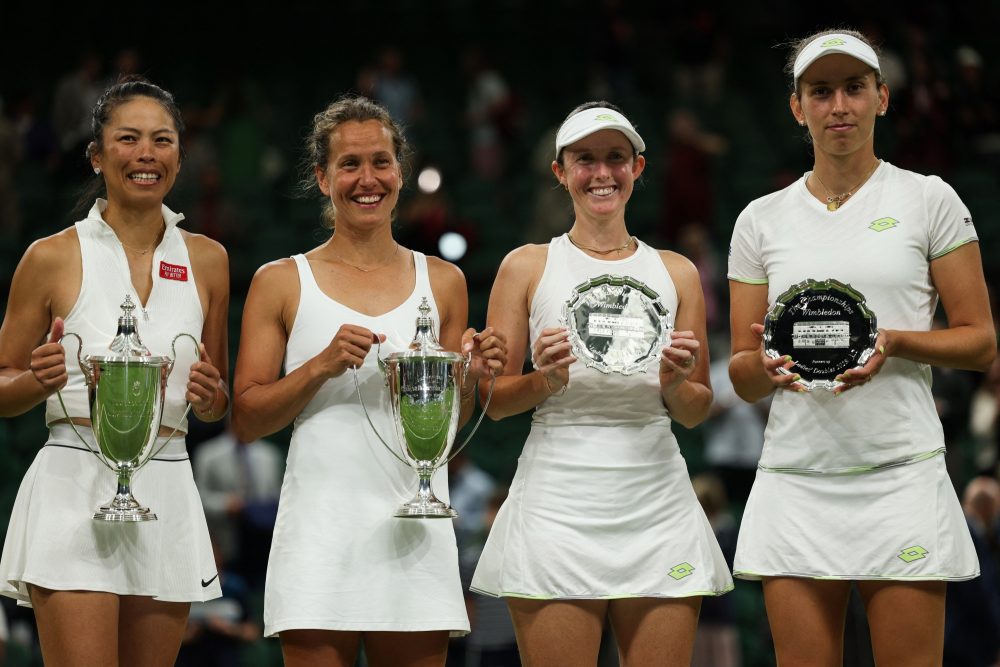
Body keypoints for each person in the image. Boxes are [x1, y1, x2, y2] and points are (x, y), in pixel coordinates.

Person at [727, 29, 997, 666]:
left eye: (854, 88)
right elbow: (742, 372)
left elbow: (981, 342)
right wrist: (763, 368)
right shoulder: (760, 219)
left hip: (900, 475)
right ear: (798, 107)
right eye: (821, 92)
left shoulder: (929, 198)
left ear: (882, 98)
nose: (838, 105)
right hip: (796, 478)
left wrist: (895, 341)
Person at [231, 95, 506, 667]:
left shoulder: (446, 281)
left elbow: (446, 431)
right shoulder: (280, 281)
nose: (367, 179)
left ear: (400, 173)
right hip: (319, 532)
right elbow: (248, 417)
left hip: (415, 531)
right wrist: (319, 367)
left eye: (380, 162)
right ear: (322, 177)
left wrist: (476, 377)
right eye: (350, 164)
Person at [470, 102, 733, 666]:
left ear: (639, 167)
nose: (602, 173)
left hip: (657, 498)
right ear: (559, 171)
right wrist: (544, 381)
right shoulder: (526, 266)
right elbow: (492, 404)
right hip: (556, 503)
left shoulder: (678, 271)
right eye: (584, 159)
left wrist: (673, 382)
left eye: (616, 158)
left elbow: (694, 411)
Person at [0, 76, 230, 666]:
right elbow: (3, 383)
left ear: (180, 154)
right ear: (98, 156)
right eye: (128, 139)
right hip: (73, 486)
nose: (146, 154)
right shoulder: (49, 256)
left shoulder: (209, 260)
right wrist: (35, 381)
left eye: (162, 140)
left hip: (169, 485)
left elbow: (215, 396)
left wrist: (210, 398)